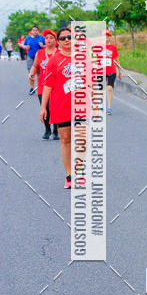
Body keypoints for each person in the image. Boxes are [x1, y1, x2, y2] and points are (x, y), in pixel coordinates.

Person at [40, 26, 89, 189]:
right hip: (60, 105)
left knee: (81, 139)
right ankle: (69, 175)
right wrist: (43, 107)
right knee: (66, 140)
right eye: (63, 38)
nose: (67, 40)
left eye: (70, 37)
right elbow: (48, 85)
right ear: (58, 42)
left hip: (80, 104)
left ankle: (80, 172)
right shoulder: (54, 60)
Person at [30, 29, 59, 139]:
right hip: (43, 86)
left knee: (55, 108)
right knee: (45, 108)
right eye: (46, 38)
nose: (48, 40)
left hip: (56, 86)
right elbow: (35, 66)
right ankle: (47, 129)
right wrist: (31, 74)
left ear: (56, 41)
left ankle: (56, 130)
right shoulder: (40, 53)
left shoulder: (60, 53)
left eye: (51, 38)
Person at [100, 29, 122, 113]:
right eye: (104, 36)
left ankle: (109, 107)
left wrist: (119, 71)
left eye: (108, 36)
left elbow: (116, 60)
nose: (106, 37)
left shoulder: (113, 47)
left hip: (111, 70)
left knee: (109, 88)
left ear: (110, 37)